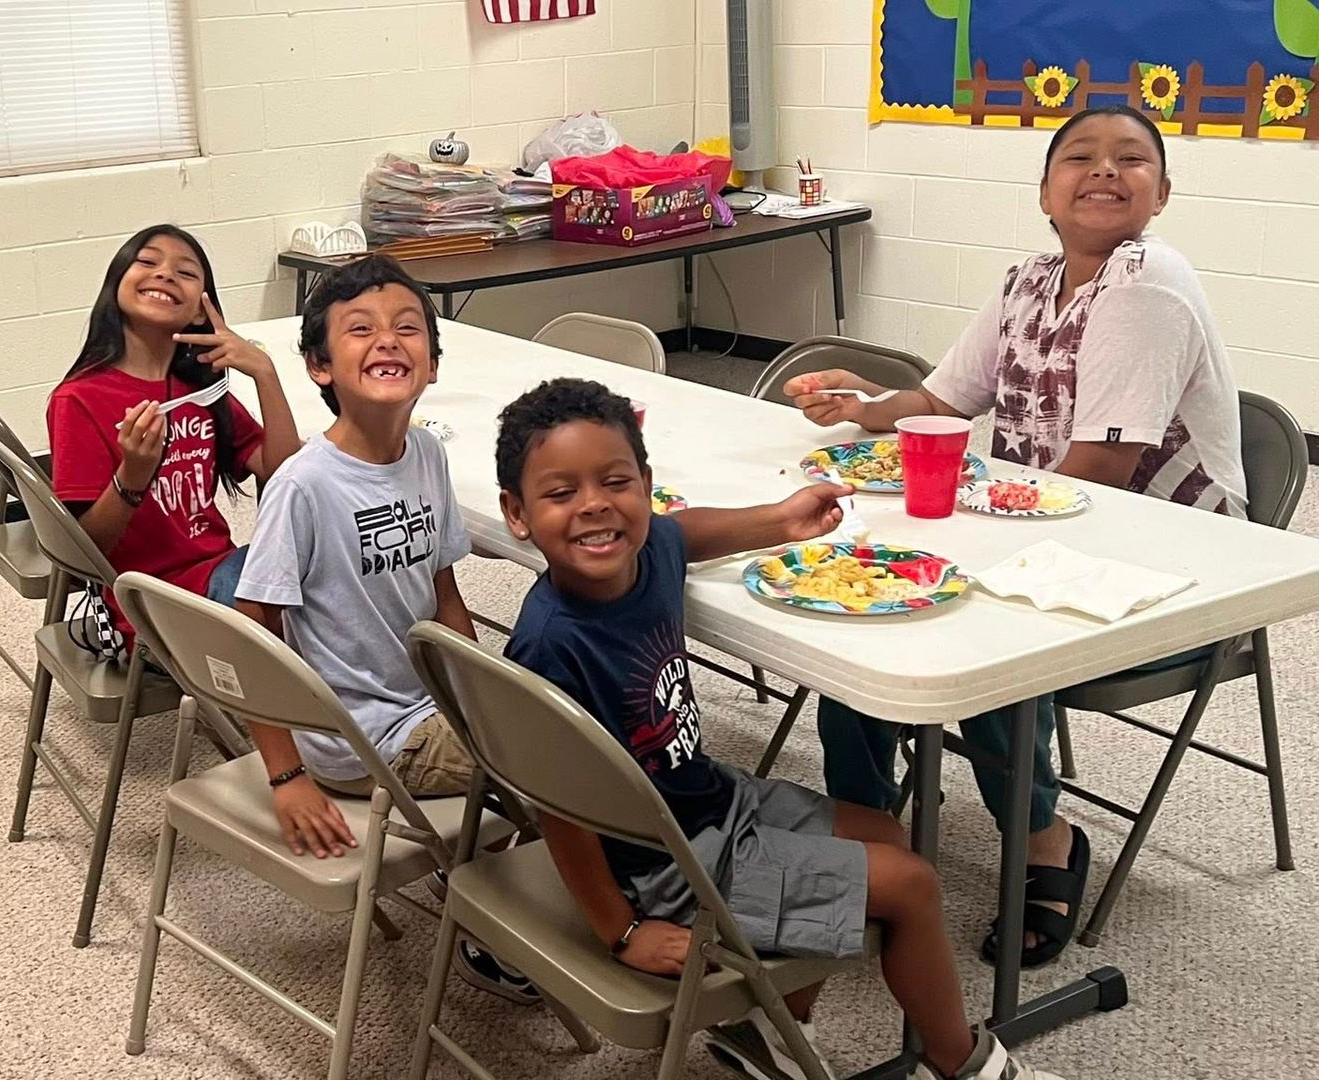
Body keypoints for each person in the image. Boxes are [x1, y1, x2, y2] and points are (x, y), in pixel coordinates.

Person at [496, 377, 1068, 1080]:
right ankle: (966, 1063)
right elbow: (560, 812)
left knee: (886, 832)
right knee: (912, 884)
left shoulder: (645, 555)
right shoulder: (550, 646)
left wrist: (783, 517)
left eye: (616, 482)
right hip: (665, 869)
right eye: (561, 495)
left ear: (646, 485)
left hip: (710, 802)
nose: (594, 506)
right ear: (516, 515)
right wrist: (623, 930)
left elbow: (687, 530)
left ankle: (772, 1031)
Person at [784, 104, 1245, 967]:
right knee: (863, 599)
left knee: (958, 617)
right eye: (1079, 157)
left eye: (1131, 160)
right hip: (1050, 533)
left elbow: (1103, 475)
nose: (1104, 171)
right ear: (1044, 191)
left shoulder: (1148, 280)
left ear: (1163, 193)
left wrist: (958, 551)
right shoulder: (1027, 281)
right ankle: (870, 821)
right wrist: (864, 407)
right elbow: (942, 402)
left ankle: (1044, 837)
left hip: (1167, 567)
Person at [232, 254, 536, 1004]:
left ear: (432, 364)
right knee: (568, 764)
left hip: (430, 703)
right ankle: (500, 929)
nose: (387, 342)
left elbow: (444, 594)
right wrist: (286, 774)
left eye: (407, 329)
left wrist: (481, 688)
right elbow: (252, 634)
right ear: (319, 367)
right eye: (359, 330)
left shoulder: (426, 453)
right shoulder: (303, 485)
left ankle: (501, 888)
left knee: (572, 705)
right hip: (362, 734)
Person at [47, 224, 303, 638]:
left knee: (324, 564)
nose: (164, 274)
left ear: (201, 311)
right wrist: (133, 475)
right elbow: (84, 555)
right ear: (117, 285)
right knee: (287, 598)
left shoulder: (198, 391)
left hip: (219, 573)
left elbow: (286, 472)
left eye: (185, 272)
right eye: (147, 262)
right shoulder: (78, 399)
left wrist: (263, 371)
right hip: (147, 602)